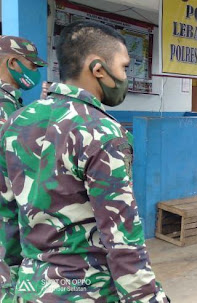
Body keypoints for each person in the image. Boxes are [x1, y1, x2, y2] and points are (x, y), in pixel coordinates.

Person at [0, 21, 169, 302]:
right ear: (98, 69)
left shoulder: (17, 122)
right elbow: (122, 239)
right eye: (124, 67)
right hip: (87, 291)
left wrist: (9, 289)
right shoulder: (102, 132)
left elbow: (6, 218)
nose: (126, 76)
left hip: (30, 290)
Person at [0, 35, 47, 303]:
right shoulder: (4, 107)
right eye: (33, 66)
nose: (35, 74)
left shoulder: (13, 104)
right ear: (14, 62)